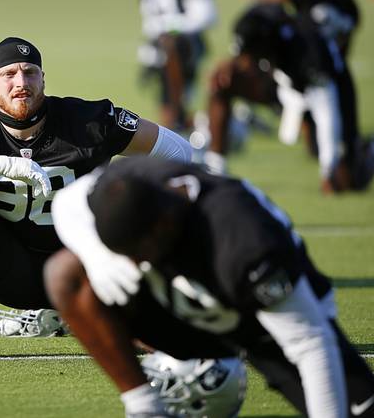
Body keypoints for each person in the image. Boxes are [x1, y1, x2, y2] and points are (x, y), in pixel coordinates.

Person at [0, 36, 193, 359]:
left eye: (29, 72)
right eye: (8, 74)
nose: (20, 83)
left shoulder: (90, 120)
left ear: (43, 78)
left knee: (153, 338)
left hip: (86, 266)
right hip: (7, 267)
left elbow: (179, 152)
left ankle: (117, 311)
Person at [44, 156, 374, 417]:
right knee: (67, 275)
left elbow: (311, 344)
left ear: (164, 229)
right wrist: (98, 254)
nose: (133, 264)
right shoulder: (132, 182)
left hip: (263, 326)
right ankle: (144, 407)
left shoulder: (241, 240)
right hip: (189, 307)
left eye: (136, 254)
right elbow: (68, 203)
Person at [199, 2, 373, 194]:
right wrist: (230, 67)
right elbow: (242, 58)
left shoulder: (305, 53)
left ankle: (365, 151)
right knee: (222, 82)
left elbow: (326, 109)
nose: (246, 61)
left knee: (346, 179)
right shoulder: (257, 22)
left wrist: (328, 168)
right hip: (282, 84)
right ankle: (215, 165)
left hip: (323, 90)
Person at [137, 0, 217, 131]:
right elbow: (149, 24)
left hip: (186, 47)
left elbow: (206, 17)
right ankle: (178, 124)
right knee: (167, 104)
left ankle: (186, 122)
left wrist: (169, 27)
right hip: (158, 48)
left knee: (178, 103)